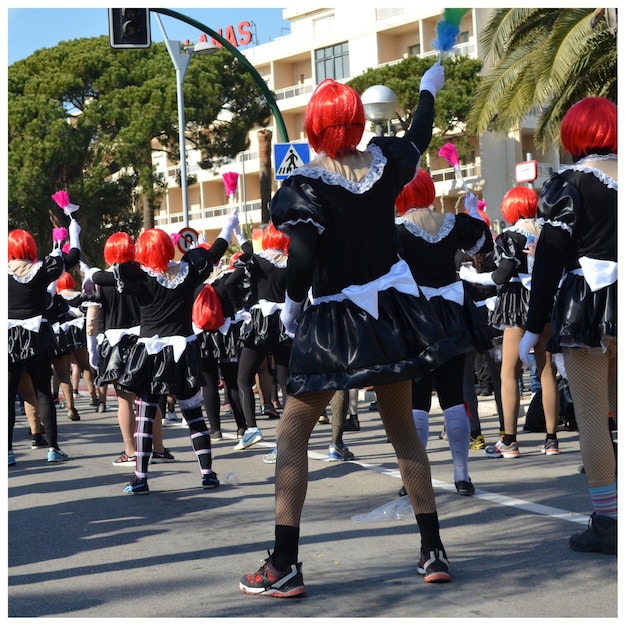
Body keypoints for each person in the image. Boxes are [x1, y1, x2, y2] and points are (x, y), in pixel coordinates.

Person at [239, 63, 457, 597]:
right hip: (391, 314)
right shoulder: (385, 162)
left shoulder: (305, 185)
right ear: (358, 121)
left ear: (314, 128)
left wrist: (291, 306)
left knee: (292, 434)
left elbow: (305, 254)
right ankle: (433, 550)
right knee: (403, 429)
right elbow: (419, 135)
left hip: (335, 320)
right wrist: (428, 89)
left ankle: (285, 563)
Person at [519, 97, 617, 555]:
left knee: (595, 418)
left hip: (590, 308)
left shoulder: (570, 184)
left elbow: (549, 262)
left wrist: (533, 327)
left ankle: (609, 522)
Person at [89, 213, 238, 493]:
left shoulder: (140, 277)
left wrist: (98, 267)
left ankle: (141, 478)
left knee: (145, 416)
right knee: (193, 414)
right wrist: (229, 225)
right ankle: (207, 473)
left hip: (151, 354)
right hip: (183, 352)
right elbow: (216, 251)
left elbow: (99, 276)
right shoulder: (188, 271)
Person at [394, 168, 494, 496]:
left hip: (417, 316)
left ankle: (415, 479)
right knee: (453, 397)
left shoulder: (397, 231)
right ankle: (462, 475)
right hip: (452, 312)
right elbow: (483, 239)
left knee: (417, 400)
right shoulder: (453, 223)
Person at [460, 186, 560, 458]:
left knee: (508, 374)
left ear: (511, 208)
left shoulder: (509, 237)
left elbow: (500, 277)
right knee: (546, 370)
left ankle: (509, 440)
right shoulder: (549, 233)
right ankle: (552, 440)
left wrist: (469, 276)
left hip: (517, 305)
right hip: (547, 302)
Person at [83, 232, 175, 467]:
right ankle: (159, 448)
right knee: (149, 399)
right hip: (145, 340)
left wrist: (92, 349)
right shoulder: (142, 274)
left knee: (125, 401)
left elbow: (92, 318)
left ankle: (131, 451)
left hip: (116, 344)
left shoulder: (103, 280)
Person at [8, 217, 81, 466]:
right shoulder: (41, 269)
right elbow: (73, 258)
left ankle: (7, 452)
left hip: (8, 339)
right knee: (43, 393)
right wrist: (74, 233)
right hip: (37, 336)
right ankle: (53, 448)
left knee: (7, 397)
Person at [225, 223, 292, 451]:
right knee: (285, 382)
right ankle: (289, 435)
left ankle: (252, 429)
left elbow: (230, 283)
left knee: (243, 377)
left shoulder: (257, 261)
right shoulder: (291, 262)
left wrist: (241, 309)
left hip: (260, 321)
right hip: (285, 322)